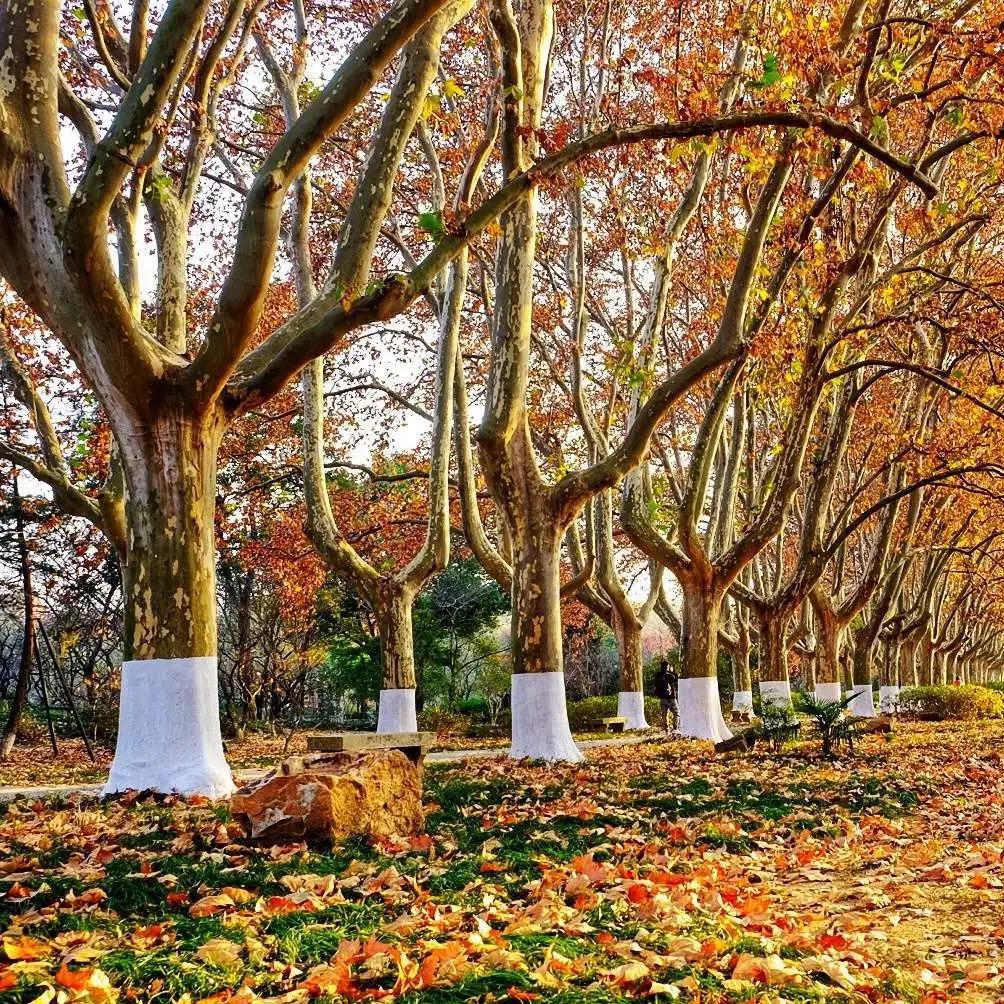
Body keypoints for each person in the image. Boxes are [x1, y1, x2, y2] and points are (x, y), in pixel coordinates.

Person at [654, 659, 679, 733]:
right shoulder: (672, 675)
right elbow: (676, 681)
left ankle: (666, 730)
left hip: (663, 698)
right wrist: (672, 671)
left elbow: (656, 685)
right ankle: (675, 729)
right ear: (668, 667)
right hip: (672, 698)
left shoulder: (658, 675)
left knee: (664, 714)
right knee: (676, 713)